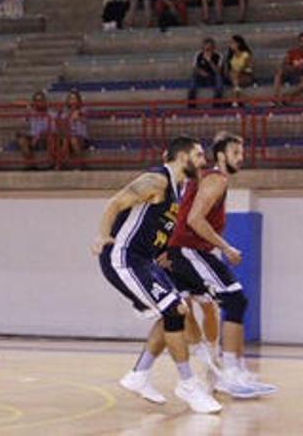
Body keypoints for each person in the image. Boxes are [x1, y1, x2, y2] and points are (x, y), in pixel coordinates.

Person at [92, 136, 222, 414]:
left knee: (178, 310)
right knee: (175, 310)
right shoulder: (157, 179)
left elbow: (157, 225)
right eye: (198, 155)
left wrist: (163, 251)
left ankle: (139, 375)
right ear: (182, 156)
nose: (203, 161)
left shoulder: (180, 188)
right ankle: (188, 384)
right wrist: (102, 235)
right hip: (123, 258)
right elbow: (115, 202)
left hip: (145, 260)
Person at [167, 132, 276, 398]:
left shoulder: (209, 178)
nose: (241, 158)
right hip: (189, 250)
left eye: (242, 153)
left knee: (207, 307)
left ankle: (234, 369)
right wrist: (226, 247)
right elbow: (194, 219)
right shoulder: (215, 178)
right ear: (220, 156)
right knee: (235, 299)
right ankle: (229, 373)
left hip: (189, 251)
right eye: (236, 153)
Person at [273, 32, 303, 105]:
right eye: (301, 42)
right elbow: (284, 65)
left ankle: (287, 95)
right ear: (298, 42)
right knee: (279, 73)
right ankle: (275, 97)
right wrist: (293, 68)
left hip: (301, 75)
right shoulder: (292, 52)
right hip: (291, 73)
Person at [16, 91, 58, 161]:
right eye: (37, 100)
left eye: (41, 100)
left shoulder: (51, 114)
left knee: (50, 136)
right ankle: (31, 161)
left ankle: (51, 161)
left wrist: (39, 136)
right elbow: (14, 103)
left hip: (44, 138)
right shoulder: (31, 112)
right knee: (20, 137)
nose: (39, 103)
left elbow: (53, 129)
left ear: (45, 101)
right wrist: (28, 105)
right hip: (33, 137)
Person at [188, 37, 224, 107]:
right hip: (201, 76)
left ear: (213, 48)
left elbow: (218, 71)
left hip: (213, 77)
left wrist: (210, 61)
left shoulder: (219, 56)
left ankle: (217, 100)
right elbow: (195, 68)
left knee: (219, 78)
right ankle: (191, 100)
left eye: (209, 48)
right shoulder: (198, 54)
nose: (207, 50)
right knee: (194, 76)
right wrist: (201, 72)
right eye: (205, 48)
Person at [223, 34, 254, 106]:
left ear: (238, 43)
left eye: (232, 42)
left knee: (235, 76)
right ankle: (237, 98)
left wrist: (239, 71)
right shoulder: (230, 56)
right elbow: (227, 70)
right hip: (233, 76)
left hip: (246, 76)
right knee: (234, 75)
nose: (230, 44)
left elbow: (250, 67)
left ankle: (234, 98)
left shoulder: (246, 54)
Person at [61, 89, 89, 166]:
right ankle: (64, 163)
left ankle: (81, 163)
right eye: (71, 98)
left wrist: (78, 117)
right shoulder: (65, 111)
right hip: (68, 135)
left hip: (82, 137)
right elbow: (63, 124)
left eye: (74, 98)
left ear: (78, 100)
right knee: (65, 139)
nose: (73, 101)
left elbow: (85, 121)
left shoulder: (83, 110)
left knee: (72, 139)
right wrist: (70, 114)